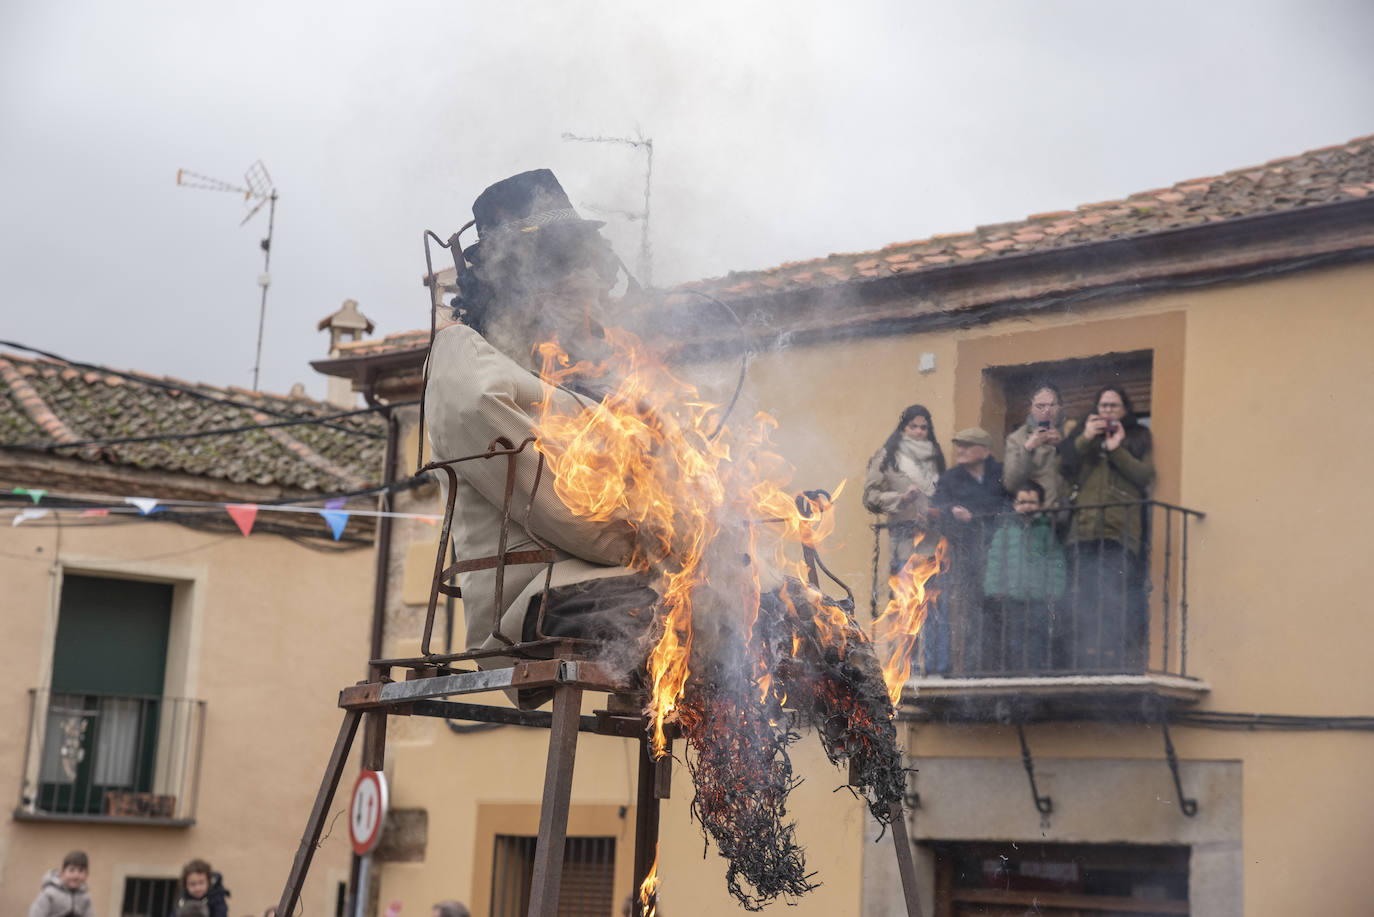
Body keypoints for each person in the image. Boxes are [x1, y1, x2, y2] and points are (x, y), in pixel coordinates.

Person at [425, 169, 657, 706]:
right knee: (701, 600)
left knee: (765, 600)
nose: (594, 288)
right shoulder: (463, 358)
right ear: (525, 276)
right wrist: (654, 534)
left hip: (611, 581)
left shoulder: (576, 381)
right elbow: (573, 515)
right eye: (576, 265)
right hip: (529, 606)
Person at [1060, 384, 1155, 670]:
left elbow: (1144, 475)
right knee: (1084, 596)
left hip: (1119, 531)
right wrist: (1086, 437)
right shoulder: (1082, 435)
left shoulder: (1138, 435)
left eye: (1114, 406)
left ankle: (1111, 658)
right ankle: (1084, 658)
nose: (1108, 411)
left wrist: (1117, 450)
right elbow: (1064, 468)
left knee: (1113, 597)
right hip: (1084, 531)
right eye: (1103, 406)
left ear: (1125, 410)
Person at [931, 427, 1008, 673]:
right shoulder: (951, 478)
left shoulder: (1001, 474)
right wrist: (952, 511)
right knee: (971, 614)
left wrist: (974, 515)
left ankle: (1000, 668)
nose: (960, 450)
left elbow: (1008, 504)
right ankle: (972, 670)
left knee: (1000, 612)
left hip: (998, 552)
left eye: (967, 445)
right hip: (966, 554)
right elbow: (938, 508)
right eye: (959, 445)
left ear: (984, 451)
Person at [982, 482, 1066, 672]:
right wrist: (994, 589)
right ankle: (1017, 675)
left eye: (1032, 502)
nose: (1027, 506)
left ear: (1041, 505)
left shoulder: (1046, 532)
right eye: (1022, 502)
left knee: (1037, 638)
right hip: (1012, 597)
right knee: (1014, 639)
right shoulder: (1004, 531)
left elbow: (1056, 563)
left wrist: (1054, 591)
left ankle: (1034, 674)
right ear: (1014, 504)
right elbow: (995, 561)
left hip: (1038, 597)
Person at [862, 404, 946, 578]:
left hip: (934, 546)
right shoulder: (887, 457)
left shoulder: (935, 457)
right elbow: (870, 497)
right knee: (907, 601)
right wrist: (902, 499)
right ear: (903, 428)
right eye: (913, 426)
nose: (918, 432)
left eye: (923, 427)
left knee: (935, 602)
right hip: (904, 546)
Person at [1002, 382, 1072, 512]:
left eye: (1052, 405)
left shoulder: (1072, 431)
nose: (1047, 411)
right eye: (1040, 406)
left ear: (1060, 407)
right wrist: (1028, 448)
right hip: (1035, 516)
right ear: (1031, 408)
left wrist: (1063, 446)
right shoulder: (1017, 438)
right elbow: (1011, 484)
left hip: (1069, 513)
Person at [28, 850, 94, 917]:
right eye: (72, 870)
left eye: (81, 870)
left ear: (86, 875)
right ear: (62, 873)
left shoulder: (85, 897)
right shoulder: (49, 893)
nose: (76, 875)